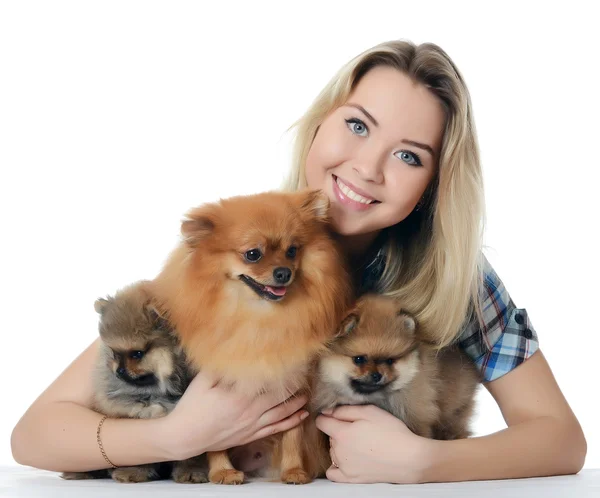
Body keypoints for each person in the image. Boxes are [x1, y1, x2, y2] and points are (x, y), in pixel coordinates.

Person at [11, 39, 586, 484]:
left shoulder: (453, 278)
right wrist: (174, 437)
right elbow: (35, 437)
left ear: (436, 183)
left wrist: (424, 462)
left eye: (408, 156)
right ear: (320, 123)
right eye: (357, 126)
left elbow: (562, 438)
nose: (366, 167)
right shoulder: (232, 248)